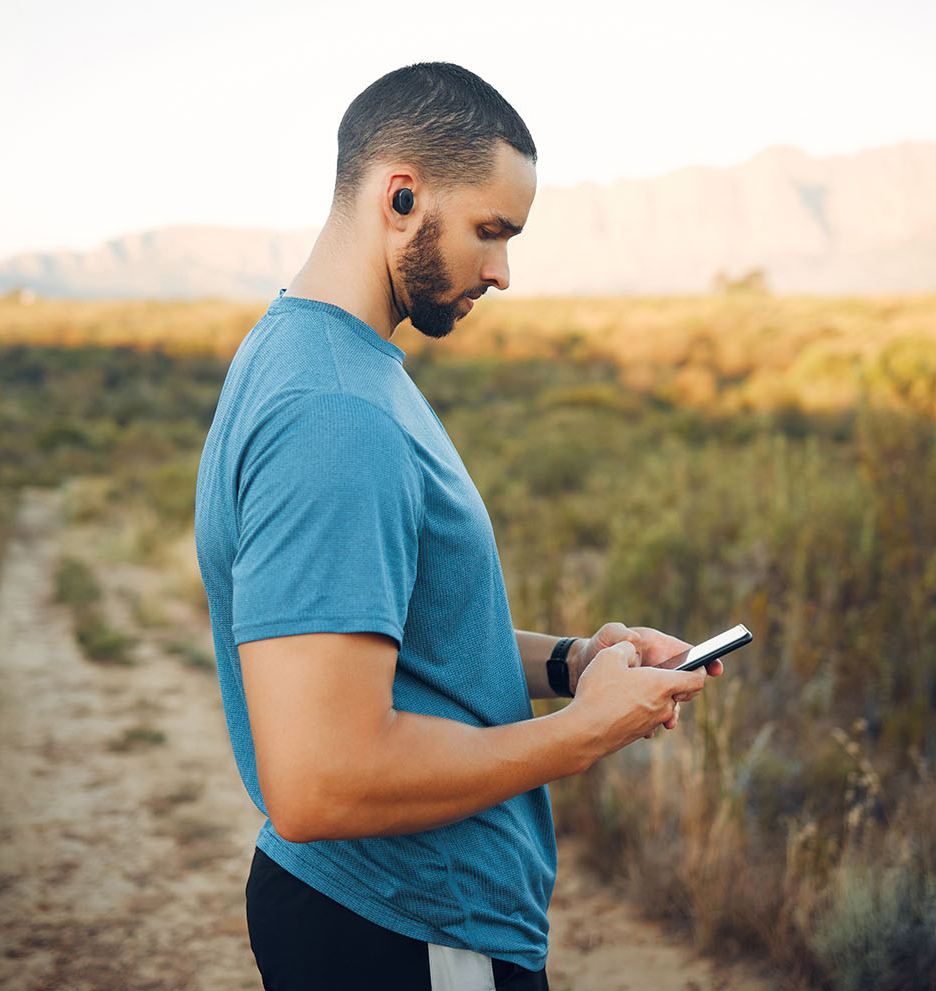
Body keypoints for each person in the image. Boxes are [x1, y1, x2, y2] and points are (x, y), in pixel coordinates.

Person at [194, 62, 723, 991]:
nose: (504, 273)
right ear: (401, 195)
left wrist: (573, 662)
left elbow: (396, 628)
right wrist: (582, 734)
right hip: (404, 926)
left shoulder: (318, 356)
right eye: (491, 231)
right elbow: (323, 779)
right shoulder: (334, 411)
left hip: (386, 918)